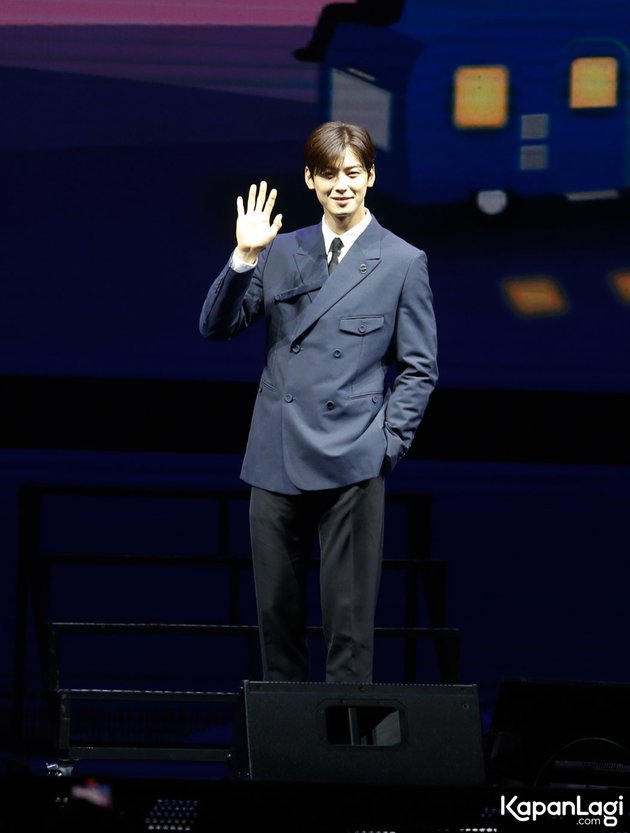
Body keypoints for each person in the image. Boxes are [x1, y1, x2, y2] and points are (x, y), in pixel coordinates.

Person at [199, 121, 437, 684]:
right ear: (310, 180)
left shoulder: (402, 262)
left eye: (353, 173)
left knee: (349, 632)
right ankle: (285, 761)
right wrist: (242, 257)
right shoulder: (280, 250)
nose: (342, 185)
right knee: (275, 622)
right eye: (328, 174)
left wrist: (386, 446)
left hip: (352, 463)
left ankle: (346, 763)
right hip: (275, 456)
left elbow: (420, 368)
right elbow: (216, 326)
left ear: (371, 177)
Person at [293, 0, 406, 62]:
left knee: (331, 11)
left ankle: (317, 51)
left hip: (382, 12)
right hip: (382, 10)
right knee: (334, 11)